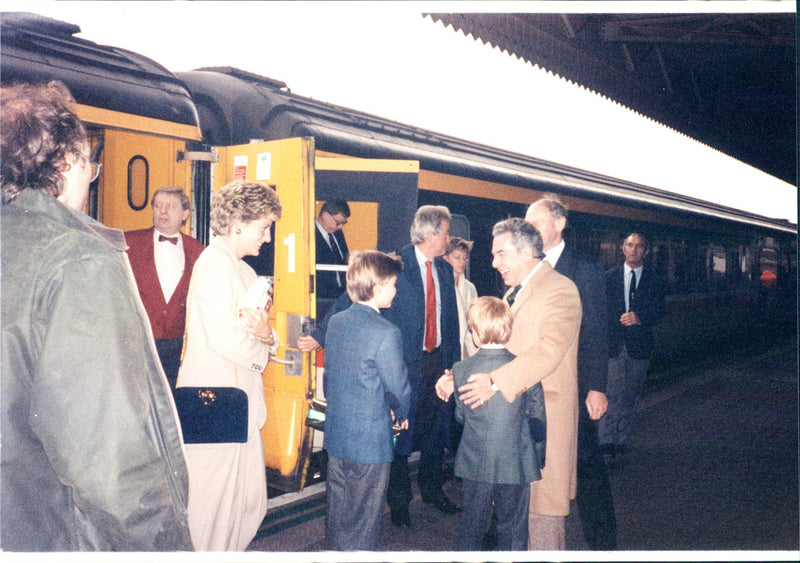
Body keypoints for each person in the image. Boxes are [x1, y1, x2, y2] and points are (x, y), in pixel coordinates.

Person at [0, 81, 193, 550]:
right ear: (67, 162)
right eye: (91, 163)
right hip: (52, 534)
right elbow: (111, 462)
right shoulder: (77, 259)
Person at [439, 217, 582, 550]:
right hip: (509, 436)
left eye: (501, 254)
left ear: (525, 252)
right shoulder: (515, 292)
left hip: (539, 429)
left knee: (542, 524)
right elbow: (497, 350)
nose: (494, 262)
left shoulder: (560, 289)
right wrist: (459, 375)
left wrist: (494, 380)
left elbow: (549, 349)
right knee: (516, 526)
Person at [176, 179, 282, 551]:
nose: (266, 238)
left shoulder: (244, 271)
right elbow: (225, 339)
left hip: (237, 405)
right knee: (211, 509)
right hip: (215, 403)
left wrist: (268, 338)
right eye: (263, 227)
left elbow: (267, 333)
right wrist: (263, 349)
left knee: (246, 505)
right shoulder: (214, 265)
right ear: (239, 222)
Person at [526, 196, 617, 549]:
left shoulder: (586, 269)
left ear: (560, 223)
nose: (529, 229)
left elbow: (597, 330)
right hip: (532, 381)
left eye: (536, 222)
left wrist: (597, 386)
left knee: (586, 460)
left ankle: (602, 541)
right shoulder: (524, 264)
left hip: (574, 385)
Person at [323, 250, 411, 550]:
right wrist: (401, 413)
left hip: (336, 436)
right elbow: (397, 387)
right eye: (393, 284)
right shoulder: (386, 332)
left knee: (338, 514)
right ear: (377, 287)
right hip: (370, 442)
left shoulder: (335, 322)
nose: (396, 290)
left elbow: (332, 376)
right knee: (364, 520)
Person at [383, 205, 461, 527]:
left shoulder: (443, 269)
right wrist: (320, 334)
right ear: (431, 234)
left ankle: (432, 489)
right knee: (400, 432)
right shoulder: (394, 263)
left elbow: (451, 321)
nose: (449, 238)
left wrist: (453, 365)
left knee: (434, 431)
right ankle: (399, 501)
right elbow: (355, 297)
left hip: (436, 363)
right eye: (446, 232)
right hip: (403, 365)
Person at [452, 297, 546, 551]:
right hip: (516, 461)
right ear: (508, 328)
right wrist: (537, 459)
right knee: (514, 528)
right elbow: (537, 420)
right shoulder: (524, 367)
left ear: (475, 332)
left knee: (471, 527)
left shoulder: (461, 369)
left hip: (476, 462)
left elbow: (461, 416)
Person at [126, 186, 204, 390]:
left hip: (175, 344)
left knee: (169, 400)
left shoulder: (197, 250)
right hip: (137, 341)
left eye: (170, 206)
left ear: (185, 214)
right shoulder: (129, 243)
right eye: (158, 206)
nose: (163, 212)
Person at [598, 233, 665, 466]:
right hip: (614, 347)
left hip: (640, 348)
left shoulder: (655, 282)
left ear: (646, 251)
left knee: (631, 397)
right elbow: (601, 312)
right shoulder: (608, 278)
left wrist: (640, 318)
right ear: (623, 248)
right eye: (629, 245)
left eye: (639, 247)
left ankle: (620, 439)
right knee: (611, 394)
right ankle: (606, 443)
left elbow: (660, 312)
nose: (633, 250)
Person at [443, 236, 480, 359]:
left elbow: (474, 321)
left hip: (467, 345)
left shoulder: (470, 288)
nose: (463, 262)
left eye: (465, 258)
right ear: (445, 258)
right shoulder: (440, 284)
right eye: (457, 258)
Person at [315, 199, 351, 301]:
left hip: (342, 296)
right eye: (339, 222)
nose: (341, 227)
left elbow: (344, 259)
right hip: (321, 298)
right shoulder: (308, 235)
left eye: (344, 223)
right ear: (326, 215)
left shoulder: (338, 233)